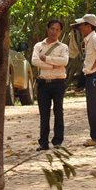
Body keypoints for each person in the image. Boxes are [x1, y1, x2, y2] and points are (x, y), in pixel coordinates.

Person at [31, 19, 70, 150]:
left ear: (60, 32)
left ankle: (58, 141)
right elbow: (35, 61)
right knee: (44, 114)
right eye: (52, 28)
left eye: (57, 30)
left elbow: (64, 61)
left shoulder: (63, 47)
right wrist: (53, 65)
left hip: (58, 83)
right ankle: (43, 142)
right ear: (47, 29)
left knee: (59, 112)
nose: (54, 32)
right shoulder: (38, 46)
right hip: (43, 83)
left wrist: (46, 59)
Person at [74, 14, 96, 147]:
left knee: (95, 108)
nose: (80, 27)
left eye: (82, 25)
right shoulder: (89, 39)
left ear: (88, 26)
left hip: (95, 76)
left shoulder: (94, 38)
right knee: (92, 108)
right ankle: (95, 137)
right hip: (91, 76)